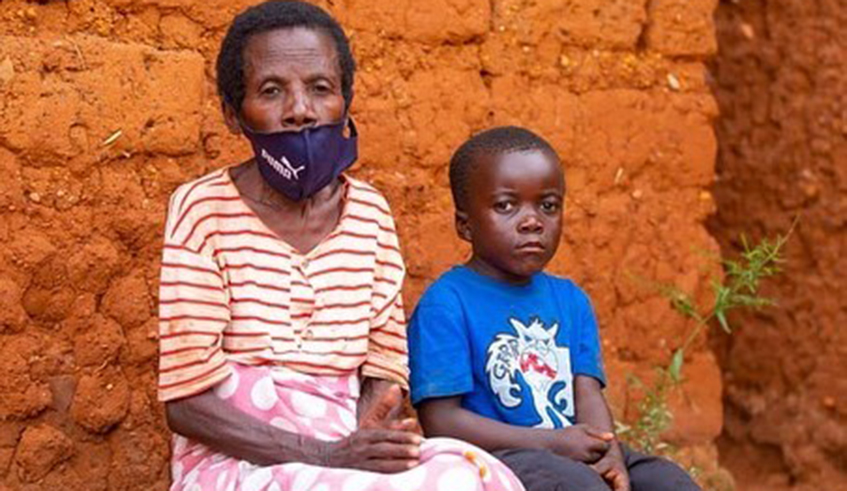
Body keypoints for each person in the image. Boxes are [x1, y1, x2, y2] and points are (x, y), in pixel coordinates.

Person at [157, 3, 524, 490]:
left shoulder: (370, 213)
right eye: (271, 91)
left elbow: (384, 364)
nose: (300, 110)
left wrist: (365, 438)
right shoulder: (202, 209)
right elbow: (185, 403)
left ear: (345, 103)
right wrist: (324, 456)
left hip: (341, 444)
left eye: (320, 88)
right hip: (238, 461)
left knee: (466, 473)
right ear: (232, 113)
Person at [408, 126, 703, 491]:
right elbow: (441, 421)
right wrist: (552, 443)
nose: (533, 221)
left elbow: (588, 393)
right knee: (577, 485)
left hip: (568, 449)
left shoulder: (570, 300)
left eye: (548, 206)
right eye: (506, 206)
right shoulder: (447, 303)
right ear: (465, 225)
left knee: (667, 482)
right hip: (495, 458)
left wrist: (606, 450)